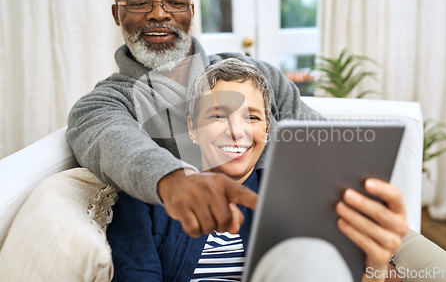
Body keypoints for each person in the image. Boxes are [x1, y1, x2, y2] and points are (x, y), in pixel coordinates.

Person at [66, 0, 446, 282]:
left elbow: (317, 143)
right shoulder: (106, 102)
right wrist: (175, 181)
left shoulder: (256, 73)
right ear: (117, 13)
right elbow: (112, 140)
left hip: (316, 223)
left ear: (191, 10)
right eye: (140, 2)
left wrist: (370, 209)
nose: (159, 13)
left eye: (174, 2)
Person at [106, 59, 408, 282]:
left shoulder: (297, 198)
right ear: (193, 129)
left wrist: (376, 267)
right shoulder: (148, 197)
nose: (237, 132)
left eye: (252, 118)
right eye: (218, 115)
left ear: (268, 130)